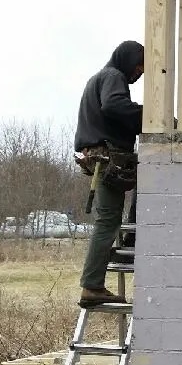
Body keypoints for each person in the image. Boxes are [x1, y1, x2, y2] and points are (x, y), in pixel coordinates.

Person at [74, 41, 144, 307]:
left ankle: (128, 243)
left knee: (108, 217)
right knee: (108, 220)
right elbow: (114, 106)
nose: (139, 72)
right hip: (108, 156)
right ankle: (92, 285)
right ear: (127, 59)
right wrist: (147, 114)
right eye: (139, 65)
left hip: (98, 155)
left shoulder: (99, 78)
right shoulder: (114, 76)